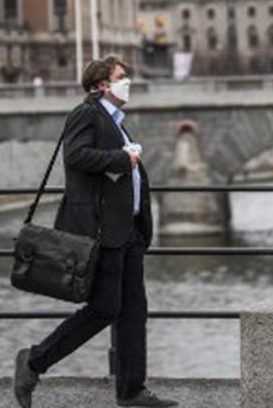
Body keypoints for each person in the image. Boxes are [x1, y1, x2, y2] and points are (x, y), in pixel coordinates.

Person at [14, 56, 177, 407]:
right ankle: (34, 361)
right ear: (102, 84)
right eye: (121, 77)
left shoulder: (115, 121)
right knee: (104, 308)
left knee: (134, 311)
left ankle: (131, 390)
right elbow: (76, 156)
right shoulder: (86, 114)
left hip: (128, 231)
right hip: (103, 231)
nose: (127, 81)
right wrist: (122, 159)